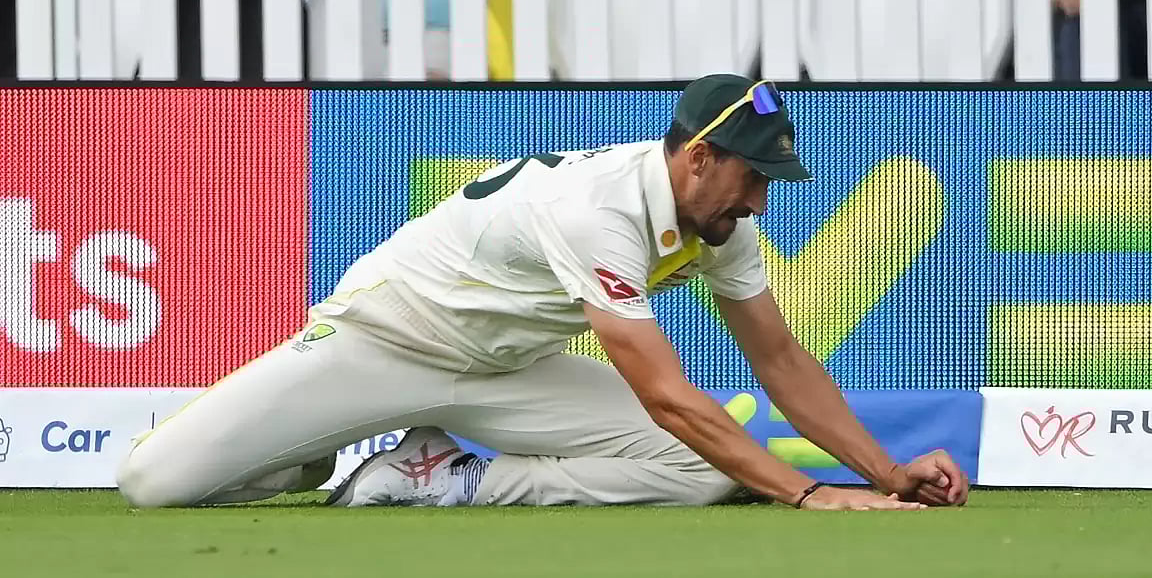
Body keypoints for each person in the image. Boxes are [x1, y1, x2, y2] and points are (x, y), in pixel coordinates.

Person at [115, 74, 970, 511]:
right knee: (151, 483)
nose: (759, 202)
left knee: (702, 473)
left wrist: (889, 476)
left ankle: (446, 477)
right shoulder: (599, 211)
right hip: (385, 339)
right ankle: (304, 450)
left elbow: (780, 359)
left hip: (506, 368)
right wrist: (813, 494)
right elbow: (667, 394)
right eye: (754, 177)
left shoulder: (720, 225)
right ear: (699, 158)